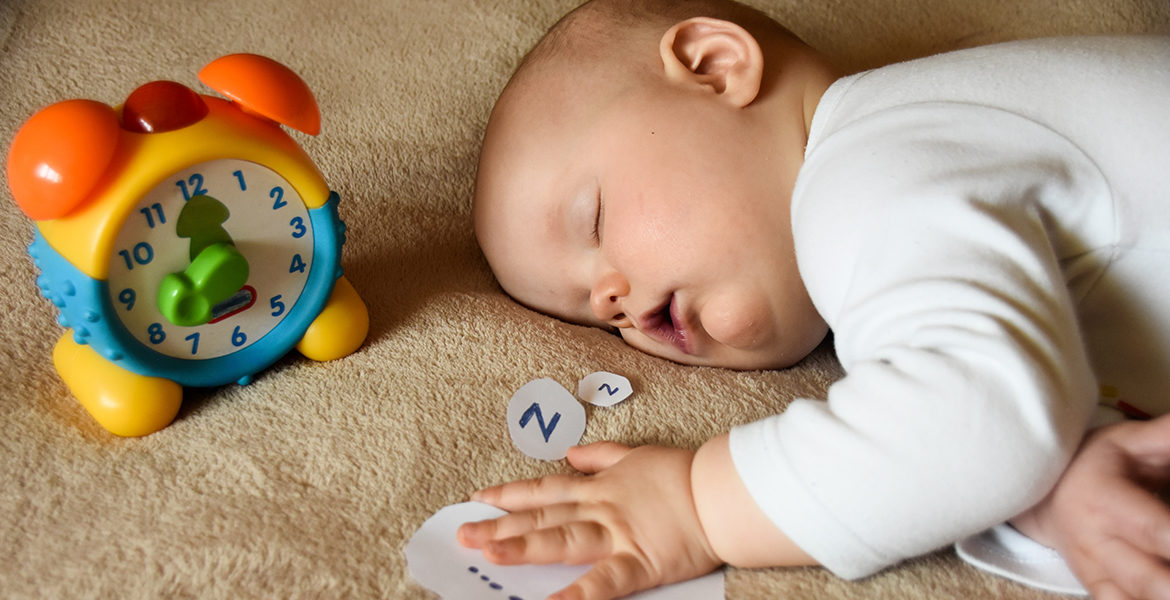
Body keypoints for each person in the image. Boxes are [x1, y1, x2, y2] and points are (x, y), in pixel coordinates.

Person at [459, 0, 1170, 598]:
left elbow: (978, 419)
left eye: (595, 221)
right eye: (591, 316)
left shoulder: (866, 167)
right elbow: (1015, 407)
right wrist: (1063, 485)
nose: (610, 300)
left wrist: (701, 505)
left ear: (714, 66)